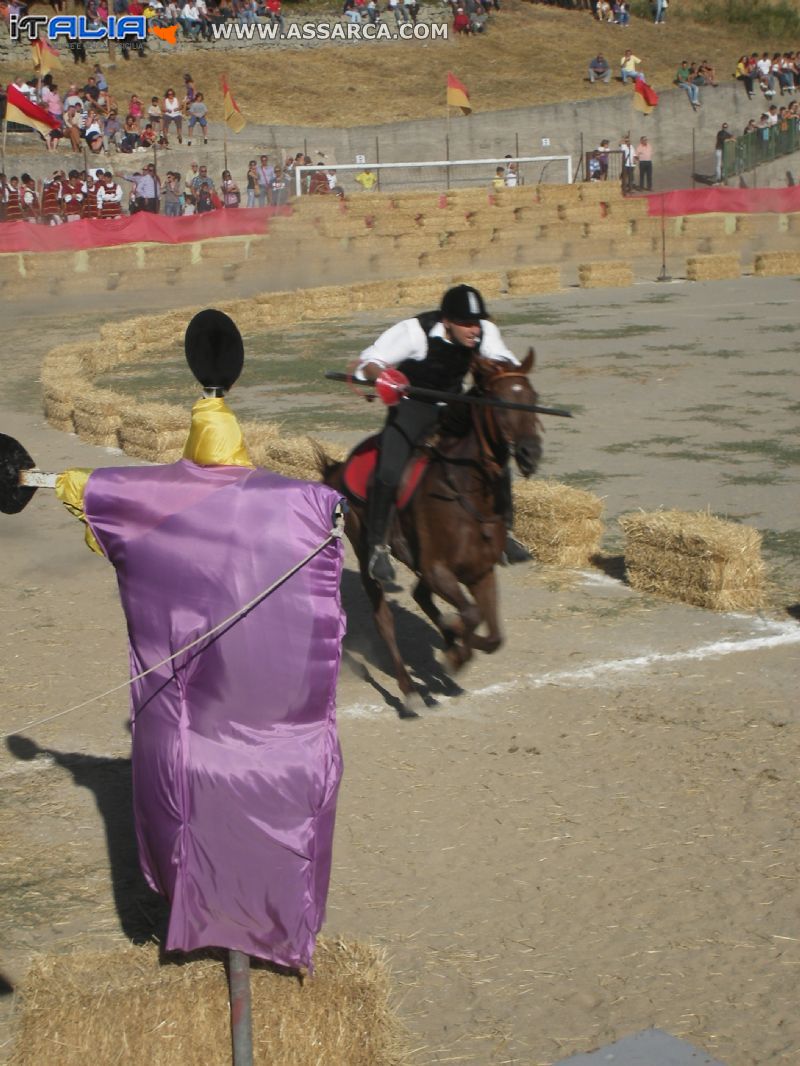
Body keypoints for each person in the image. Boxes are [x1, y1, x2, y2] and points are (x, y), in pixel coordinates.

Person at [353, 284, 527, 583]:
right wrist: (382, 377)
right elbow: (369, 363)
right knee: (389, 471)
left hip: (455, 406)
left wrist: (507, 378)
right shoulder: (414, 333)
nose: (474, 330)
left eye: (476, 322)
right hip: (413, 406)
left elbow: (505, 361)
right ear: (447, 321)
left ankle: (505, 534)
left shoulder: (485, 331)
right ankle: (377, 547)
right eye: (465, 324)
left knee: (494, 455)